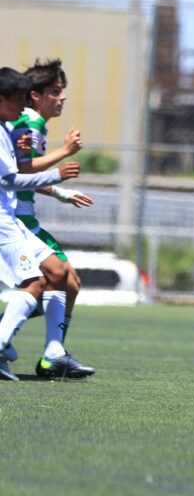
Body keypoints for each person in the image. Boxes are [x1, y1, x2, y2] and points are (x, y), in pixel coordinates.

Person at [8, 58, 95, 378]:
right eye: (56, 91)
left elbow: (22, 173)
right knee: (55, 276)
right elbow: (20, 171)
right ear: (36, 95)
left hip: (22, 215)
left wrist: (59, 192)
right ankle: (11, 339)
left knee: (69, 282)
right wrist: (64, 156)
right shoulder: (28, 122)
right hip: (16, 218)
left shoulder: (31, 121)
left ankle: (53, 354)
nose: (63, 98)